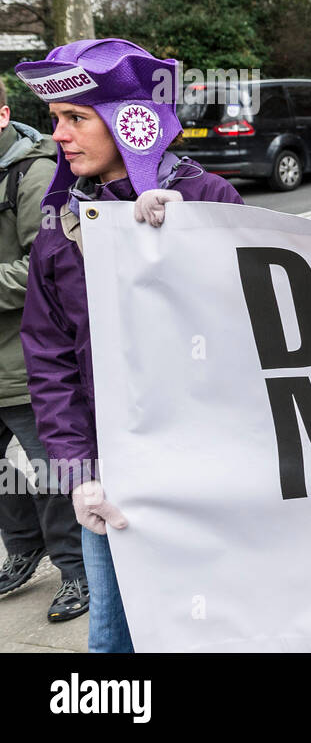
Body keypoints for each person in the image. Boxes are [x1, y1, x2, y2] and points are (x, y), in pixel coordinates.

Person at [16, 38, 245, 652]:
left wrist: (188, 240)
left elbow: (254, 328)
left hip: (211, 464)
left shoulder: (208, 199)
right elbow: (49, 360)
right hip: (113, 477)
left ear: (130, 122)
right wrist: (77, 472)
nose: (59, 135)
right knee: (113, 637)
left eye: (76, 117)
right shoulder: (60, 227)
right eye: (55, 119)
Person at [0, 88, 88, 623]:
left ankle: (77, 571)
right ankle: (24, 546)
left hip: (23, 363)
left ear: (4, 114)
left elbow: (42, 266)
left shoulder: (33, 175)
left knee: (56, 473)